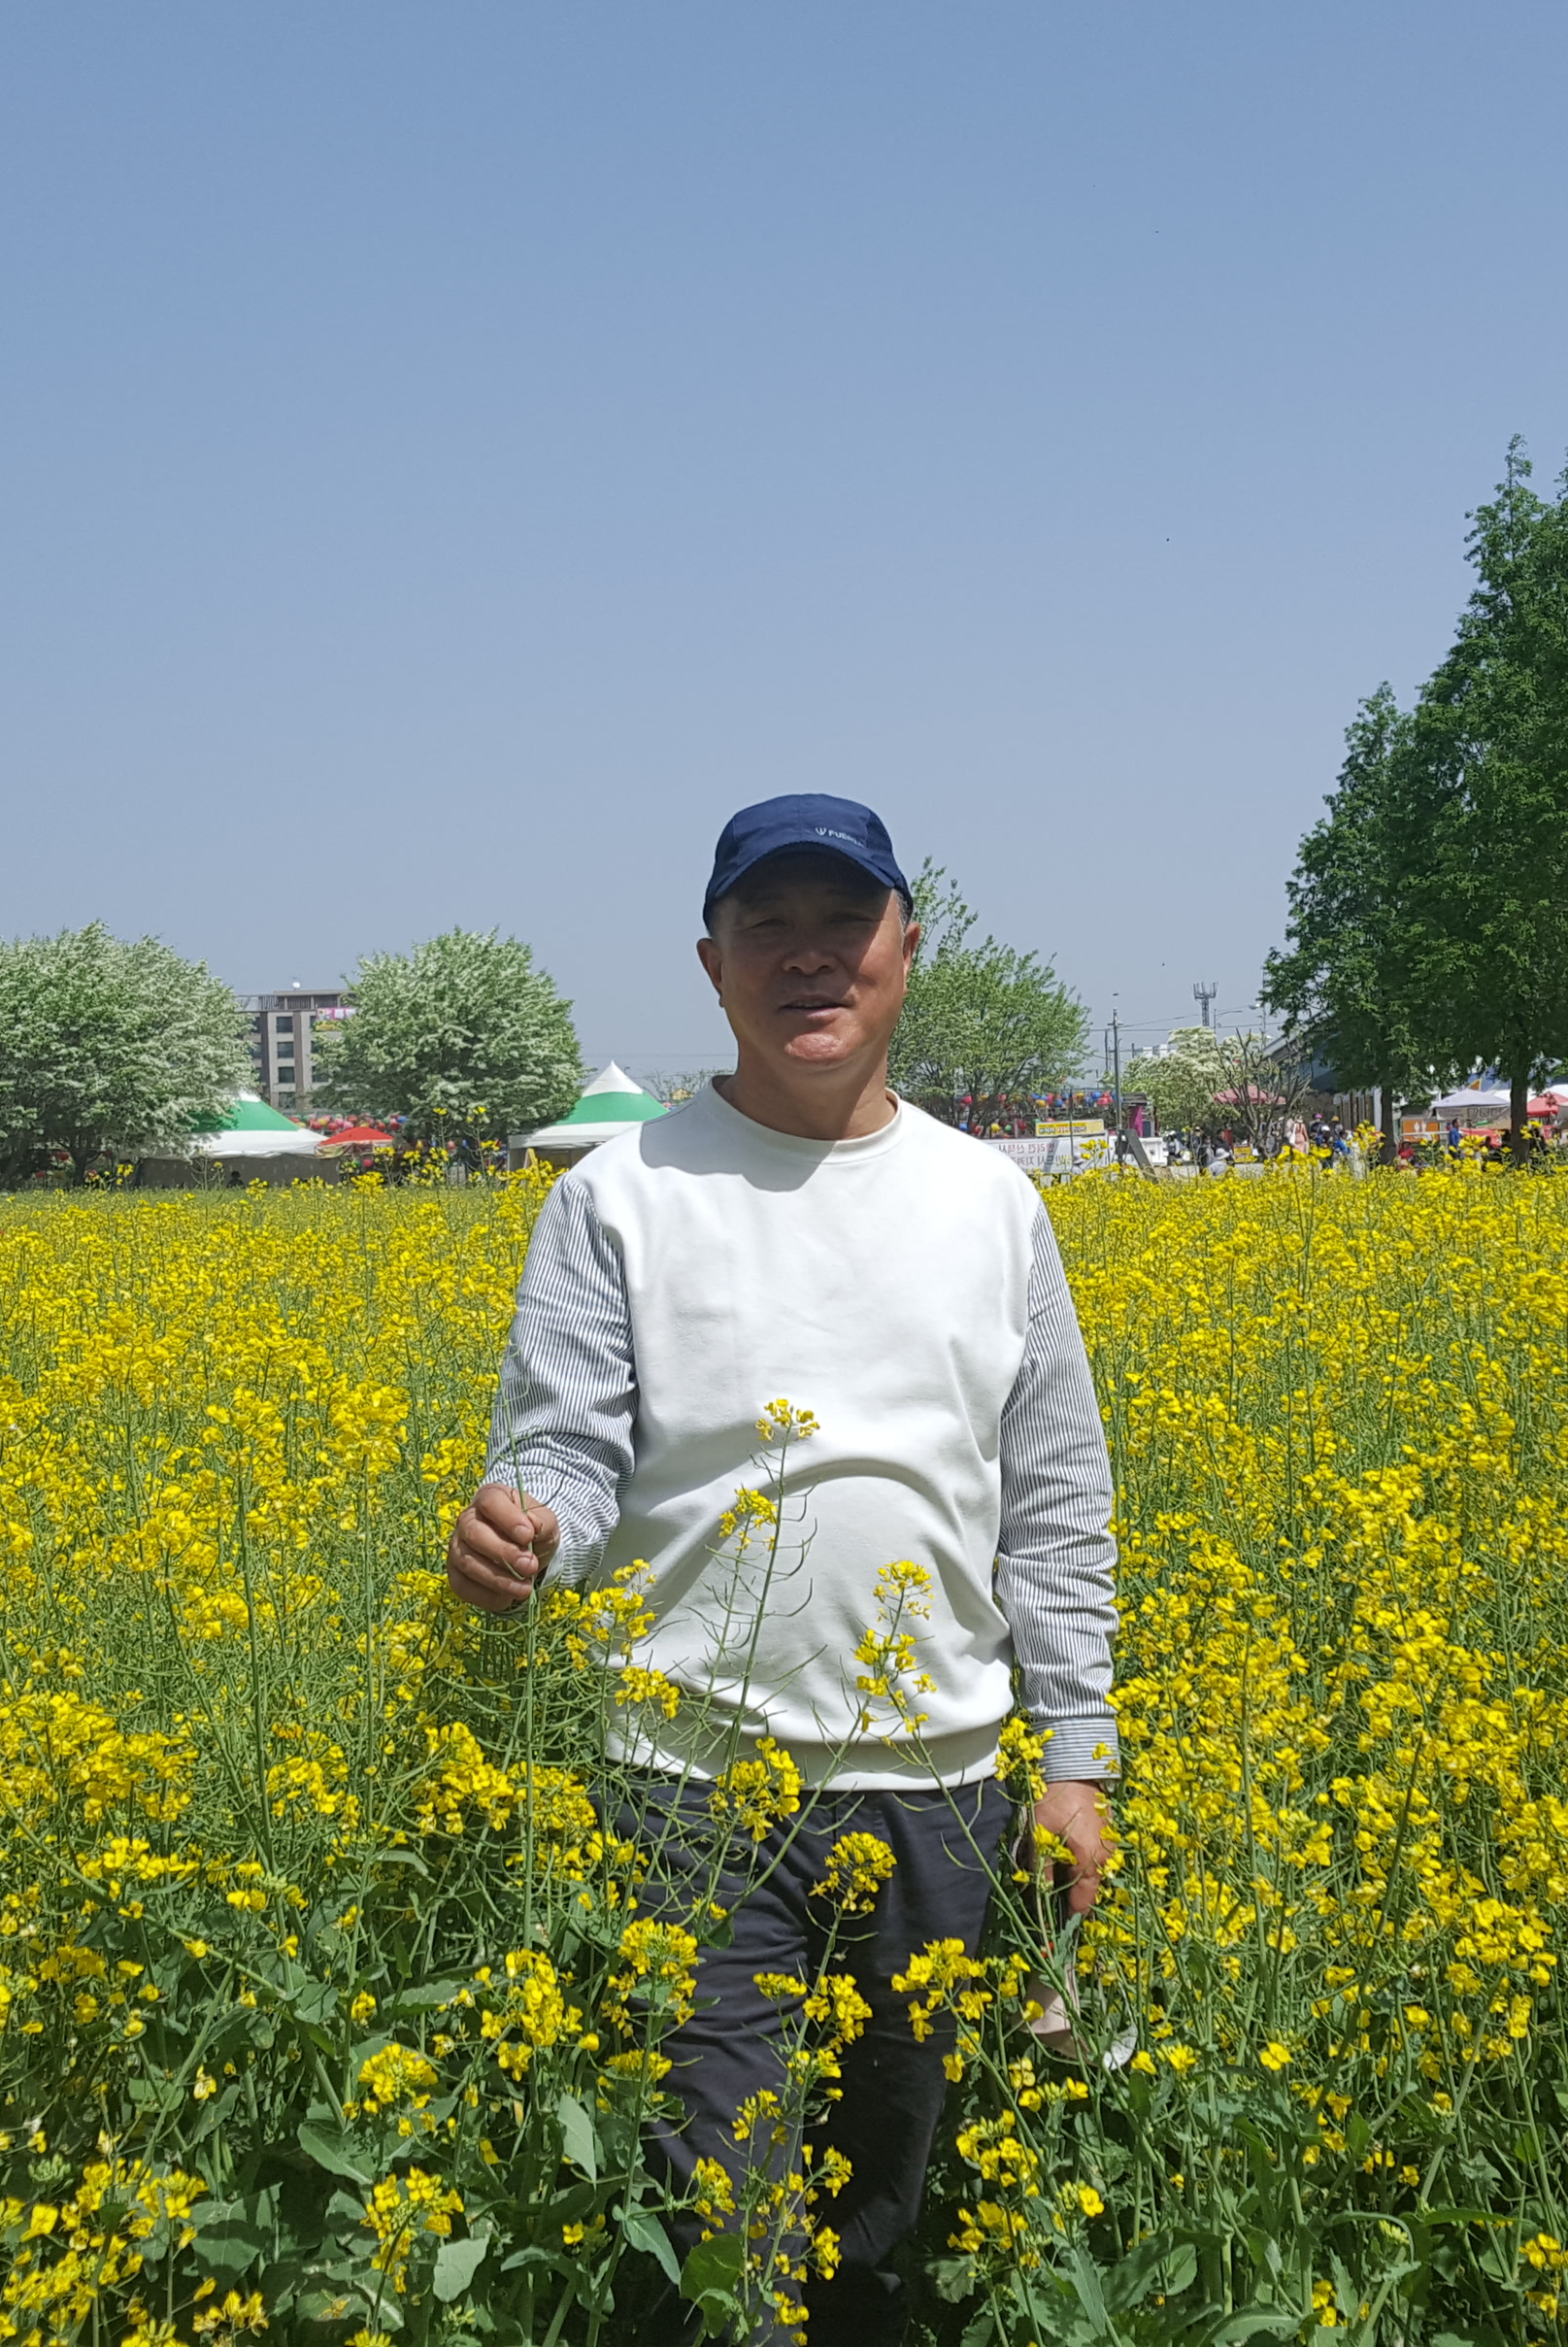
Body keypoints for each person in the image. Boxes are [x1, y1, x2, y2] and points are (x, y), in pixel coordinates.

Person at [446, 793, 1119, 2346]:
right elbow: (567, 1453)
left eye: (843, 924)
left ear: (907, 950)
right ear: (712, 963)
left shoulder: (993, 1201)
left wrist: (1075, 1757)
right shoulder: (617, 1196)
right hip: (688, 1795)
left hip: (943, 1790)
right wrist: (524, 1529)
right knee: (720, 2241)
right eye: (768, 927)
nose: (809, 957)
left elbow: (1055, 1504)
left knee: (883, 2223)